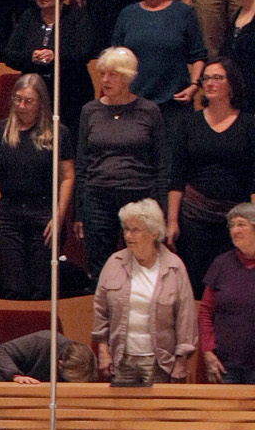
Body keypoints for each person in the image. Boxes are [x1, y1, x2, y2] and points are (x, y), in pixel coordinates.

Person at [66, 48, 167, 280]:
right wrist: (79, 211)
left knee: (142, 265)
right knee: (101, 269)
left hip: (139, 196)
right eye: (102, 74)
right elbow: (82, 164)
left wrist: (161, 209)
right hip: (97, 199)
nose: (105, 80)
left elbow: (161, 164)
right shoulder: (90, 110)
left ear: (128, 76)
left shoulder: (149, 111)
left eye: (113, 75)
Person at [168, 57, 255, 292]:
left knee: (234, 286)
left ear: (232, 84)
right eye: (206, 78)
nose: (210, 83)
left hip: (236, 221)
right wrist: (173, 221)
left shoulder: (249, 124)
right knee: (197, 285)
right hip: (194, 219)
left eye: (218, 78)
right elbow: (176, 174)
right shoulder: (188, 123)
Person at [0, 73, 68, 300]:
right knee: (14, 283)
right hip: (8, 213)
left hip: (44, 213)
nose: (21, 106)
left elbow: (67, 177)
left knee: (42, 285)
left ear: (41, 103)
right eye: (17, 99)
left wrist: (58, 216)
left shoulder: (58, 132)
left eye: (28, 101)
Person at [93, 199, 196, 384]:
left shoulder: (174, 267)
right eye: (126, 229)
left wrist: (181, 361)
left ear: (154, 232)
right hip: (122, 359)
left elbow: (185, 317)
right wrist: (103, 350)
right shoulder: (114, 263)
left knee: (156, 412)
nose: (128, 235)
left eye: (135, 230)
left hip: (160, 362)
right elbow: (100, 310)